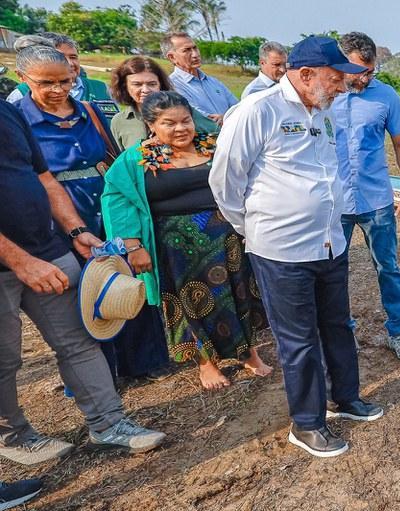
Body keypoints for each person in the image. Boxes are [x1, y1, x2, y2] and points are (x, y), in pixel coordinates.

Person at [210, 36, 384, 458]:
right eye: (336, 78)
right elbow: (225, 181)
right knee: (299, 339)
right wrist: (255, 229)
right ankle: (306, 424)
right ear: (305, 75)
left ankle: (346, 398)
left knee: (338, 325)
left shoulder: (321, 112)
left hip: (329, 243)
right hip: (282, 251)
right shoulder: (257, 111)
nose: (342, 86)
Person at [0, 99, 166, 466]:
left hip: (46, 248)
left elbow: (42, 177)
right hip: (13, 263)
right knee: (4, 359)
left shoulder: (5, 111)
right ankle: (15, 436)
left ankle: (108, 424)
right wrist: (21, 261)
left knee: (80, 338)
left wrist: (75, 229)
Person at [14, 41, 171, 382]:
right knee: (85, 294)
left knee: (125, 281)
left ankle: (144, 362)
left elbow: (112, 158)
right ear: (23, 78)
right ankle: (102, 374)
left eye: (64, 81)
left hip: (105, 204)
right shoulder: (18, 121)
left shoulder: (90, 110)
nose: (57, 90)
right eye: (46, 83)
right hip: (61, 212)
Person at [102, 91, 273, 390]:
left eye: (186, 121)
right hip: (176, 248)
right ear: (151, 124)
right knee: (189, 304)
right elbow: (117, 200)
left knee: (240, 295)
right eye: (170, 123)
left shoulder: (212, 147)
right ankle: (206, 362)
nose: (181, 129)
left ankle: (249, 353)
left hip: (227, 240)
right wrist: (133, 245)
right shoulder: (136, 160)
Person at [332, 32, 400, 361]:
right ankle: (343, 331)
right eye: (359, 72)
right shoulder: (323, 96)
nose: (366, 79)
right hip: (333, 202)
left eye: (371, 71)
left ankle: (398, 329)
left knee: (388, 267)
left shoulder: (386, 97)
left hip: (376, 200)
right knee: (334, 272)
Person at [109, 56, 220, 151]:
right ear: (125, 87)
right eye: (137, 84)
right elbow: (123, 160)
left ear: (160, 85)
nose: (145, 90)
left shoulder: (184, 112)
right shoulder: (119, 122)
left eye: (152, 84)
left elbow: (219, 135)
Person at [7, 33, 111, 104]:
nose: (69, 63)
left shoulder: (102, 89)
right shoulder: (22, 93)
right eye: (61, 57)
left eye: (73, 57)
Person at [163, 32, 238, 125]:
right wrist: (229, 118)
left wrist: (226, 118)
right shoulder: (172, 86)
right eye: (187, 50)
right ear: (172, 57)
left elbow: (239, 108)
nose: (195, 54)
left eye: (195, 48)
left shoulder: (213, 82)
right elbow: (203, 119)